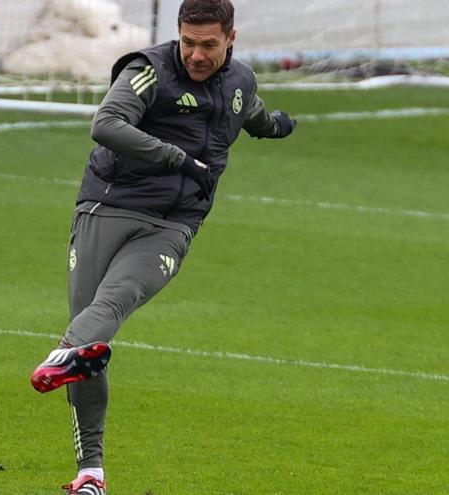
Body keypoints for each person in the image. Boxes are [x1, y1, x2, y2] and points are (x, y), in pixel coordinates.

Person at [30, 1, 297, 493]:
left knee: (117, 300)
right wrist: (177, 158)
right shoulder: (147, 72)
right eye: (188, 42)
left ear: (231, 39)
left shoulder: (240, 79)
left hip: (174, 222)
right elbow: (106, 124)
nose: (196, 54)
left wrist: (276, 124)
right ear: (177, 35)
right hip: (107, 207)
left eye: (208, 45)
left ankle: (66, 353)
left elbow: (248, 111)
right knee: (93, 331)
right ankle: (91, 471)